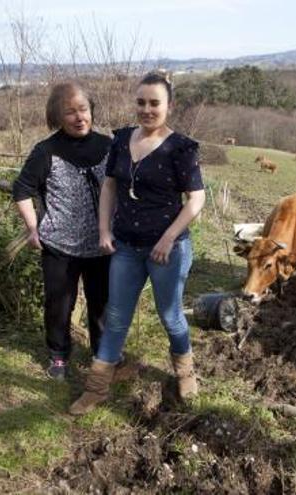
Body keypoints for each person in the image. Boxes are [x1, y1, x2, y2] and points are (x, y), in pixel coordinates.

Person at [70, 71, 206, 415]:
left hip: (167, 250)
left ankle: (186, 372)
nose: (147, 109)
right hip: (127, 248)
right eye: (141, 102)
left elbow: (196, 200)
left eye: (154, 103)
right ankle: (97, 387)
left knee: (171, 316)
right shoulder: (121, 140)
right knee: (116, 317)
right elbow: (110, 187)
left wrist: (169, 237)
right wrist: (104, 230)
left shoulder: (182, 149)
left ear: (169, 106)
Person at [12, 81, 112, 380]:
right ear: (57, 116)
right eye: (70, 112)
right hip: (59, 246)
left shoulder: (108, 146)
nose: (79, 117)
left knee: (102, 304)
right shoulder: (46, 151)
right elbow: (22, 189)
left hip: (102, 245)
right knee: (59, 304)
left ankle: (102, 356)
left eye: (83, 109)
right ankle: (58, 356)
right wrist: (33, 228)